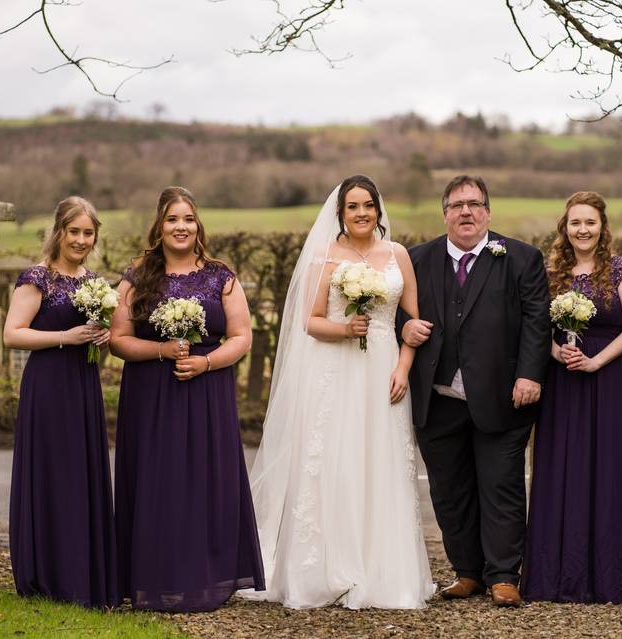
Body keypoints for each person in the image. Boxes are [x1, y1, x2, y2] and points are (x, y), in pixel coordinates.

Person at [242, 175, 433, 609]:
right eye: (353, 207)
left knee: (380, 460)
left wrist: (403, 366)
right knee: (333, 460)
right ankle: (327, 568)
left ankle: (384, 570)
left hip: (384, 369)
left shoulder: (398, 255)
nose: (362, 213)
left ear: (378, 211)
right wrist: (345, 328)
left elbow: (413, 322)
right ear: (340, 213)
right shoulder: (324, 258)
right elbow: (311, 321)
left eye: (369, 205)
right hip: (336, 369)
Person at [110, 186, 264, 612]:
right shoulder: (136, 277)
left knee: (204, 478)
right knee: (156, 481)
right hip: (150, 395)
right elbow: (118, 340)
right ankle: (151, 575)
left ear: (198, 226)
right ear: (159, 227)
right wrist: (161, 351)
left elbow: (241, 336)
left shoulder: (220, 276)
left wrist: (206, 362)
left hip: (206, 391)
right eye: (172, 219)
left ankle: (207, 575)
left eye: (188, 219)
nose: (181, 227)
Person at [400, 175, 551, 607]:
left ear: (488, 211)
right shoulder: (417, 260)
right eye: (456, 205)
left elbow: (537, 321)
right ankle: (467, 572)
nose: (466, 212)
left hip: (502, 397)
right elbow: (395, 313)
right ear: (444, 212)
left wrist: (529, 375)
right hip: (438, 396)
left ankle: (504, 575)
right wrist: (404, 326)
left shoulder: (521, 257)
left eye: (474, 204)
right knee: (450, 491)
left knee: (501, 486)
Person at [520, 191, 622, 604]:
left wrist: (597, 361)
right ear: (565, 227)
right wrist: (556, 353)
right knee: (560, 467)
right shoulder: (552, 270)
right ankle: (555, 575)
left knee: (607, 468)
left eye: (590, 222)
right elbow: (536, 325)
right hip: (562, 382)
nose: (583, 230)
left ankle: (609, 576)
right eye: (575, 222)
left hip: (605, 378)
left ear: (602, 226)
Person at [4, 196, 118, 608]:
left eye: (89, 233)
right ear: (59, 231)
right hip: (48, 386)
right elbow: (12, 334)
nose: (81, 240)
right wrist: (64, 338)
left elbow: (92, 335)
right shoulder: (38, 278)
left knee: (80, 472)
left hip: (83, 385)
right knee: (51, 471)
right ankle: (46, 573)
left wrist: (99, 337)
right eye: (74, 232)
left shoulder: (95, 282)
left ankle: (81, 569)